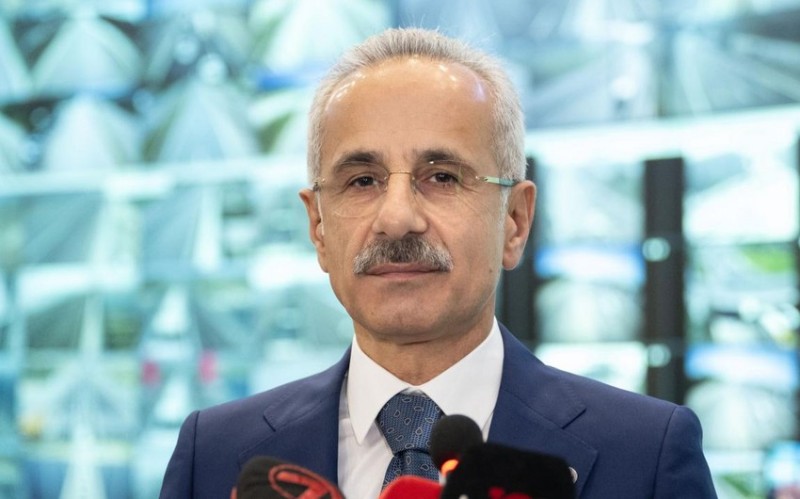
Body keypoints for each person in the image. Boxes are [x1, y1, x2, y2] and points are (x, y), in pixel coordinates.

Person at [159, 27, 717, 498]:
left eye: (442, 177)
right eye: (362, 181)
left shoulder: (645, 453)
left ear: (515, 220)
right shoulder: (215, 455)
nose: (397, 218)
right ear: (318, 227)